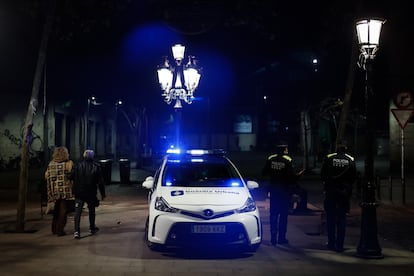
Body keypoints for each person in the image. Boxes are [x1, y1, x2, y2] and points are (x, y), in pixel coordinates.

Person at [262, 144, 304, 245]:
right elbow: (291, 177)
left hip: (274, 190)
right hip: (284, 191)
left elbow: (264, 172)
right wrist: (299, 175)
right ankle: (281, 238)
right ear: (284, 150)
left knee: (273, 214)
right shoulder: (287, 160)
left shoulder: (271, 159)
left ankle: (273, 237)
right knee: (283, 215)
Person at [320, 142, 357, 252]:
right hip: (343, 193)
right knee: (341, 219)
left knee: (330, 218)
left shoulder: (329, 158)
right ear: (345, 148)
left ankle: (331, 243)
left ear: (336, 148)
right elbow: (353, 177)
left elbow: (323, 175)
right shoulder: (350, 159)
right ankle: (340, 245)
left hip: (331, 191)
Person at [72, 149, 106, 239]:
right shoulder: (96, 166)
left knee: (77, 212)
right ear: (92, 156)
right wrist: (103, 194)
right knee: (92, 211)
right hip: (91, 192)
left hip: (79, 192)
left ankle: (76, 231)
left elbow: (71, 176)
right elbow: (100, 182)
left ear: (83, 156)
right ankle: (92, 228)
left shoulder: (77, 166)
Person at [44, 146, 74, 236]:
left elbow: (46, 176)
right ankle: (60, 230)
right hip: (65, 191)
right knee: (63, 210)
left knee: (56, 210)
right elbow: (72, 175)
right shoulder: (69, 163)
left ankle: (54, 229)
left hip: (54, 191)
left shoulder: (51, 164)